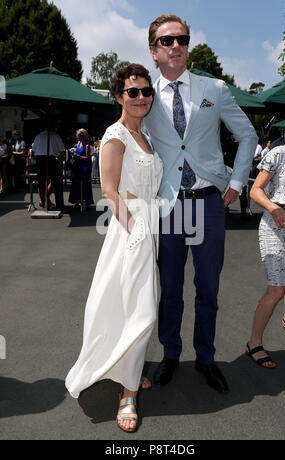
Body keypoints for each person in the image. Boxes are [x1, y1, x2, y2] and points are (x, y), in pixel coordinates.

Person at [143, 14, 258, 393]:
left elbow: (247, 135)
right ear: (154, 51)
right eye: (166, 41)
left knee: (208, 288)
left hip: (208, 203)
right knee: (170, 289)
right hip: (170, 206)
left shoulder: (216, 89)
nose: (175, 45)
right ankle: (171, 354)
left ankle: (206, 358)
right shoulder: (143, 96)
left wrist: (238, 182)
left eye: (182, 39)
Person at [65, 64, 163, 433]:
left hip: (148, 226)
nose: (141, 98)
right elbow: (108, 191)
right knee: (143, 312)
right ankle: (128, 394)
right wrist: (136, 230)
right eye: (132, 91)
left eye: (145, 91)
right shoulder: (115, 135)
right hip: (130, 229)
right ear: (119, 96)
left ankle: (129, 371)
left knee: (131, 307)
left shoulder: (146, 135)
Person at [247, 112, 285, 368]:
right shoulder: (279, 154)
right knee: (278, 288)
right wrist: (274, 209)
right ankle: (254, 342)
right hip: (274, 222)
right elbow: (255, 190)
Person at [32, 123, 65, 210]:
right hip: (51, 160)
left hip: (40, 161)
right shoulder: (56, 136)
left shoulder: (38, 136)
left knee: (41, 183)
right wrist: (59, 159)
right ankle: (59, 205)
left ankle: (44, 203)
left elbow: (33, 153)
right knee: (57, 182)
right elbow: (62, 151)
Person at [69, 129, 94, 210]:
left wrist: (78, 156)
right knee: (76, 183)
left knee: (84, 184)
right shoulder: (78, 143)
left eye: (80, 136)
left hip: (84, 167)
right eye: (78, 136)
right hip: (77, 166)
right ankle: (76, 201)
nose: (78, 137)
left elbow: (87, 158)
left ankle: (86, 201)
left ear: (84, 136)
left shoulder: (87, 146)